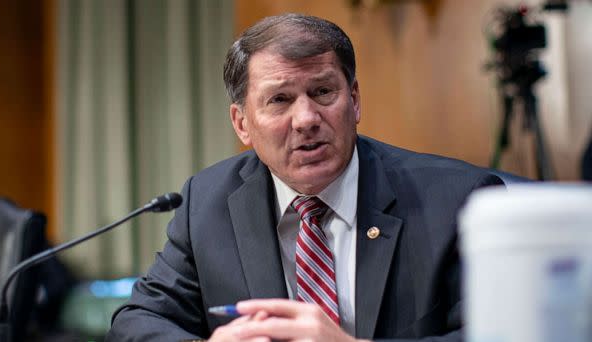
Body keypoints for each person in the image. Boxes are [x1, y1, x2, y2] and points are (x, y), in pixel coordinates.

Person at [107, 13, 503, 342]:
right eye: (280, 99)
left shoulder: (458, 201)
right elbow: (136, 322)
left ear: (355, 100)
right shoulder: (207, 202)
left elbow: (508, 333)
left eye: (323, 92)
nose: (306, 119)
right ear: (242, 123)